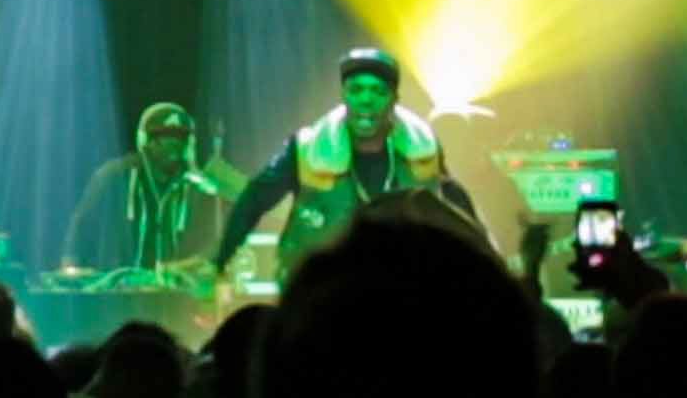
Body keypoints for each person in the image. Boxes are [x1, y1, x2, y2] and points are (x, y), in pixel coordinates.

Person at [205, 48, 445, 288]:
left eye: (378, 91)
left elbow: (452, 207)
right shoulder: (307, 149)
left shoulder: (423, 150)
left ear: (394, 99)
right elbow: (254, 200)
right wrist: (218, 262)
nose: (366, 100)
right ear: (344, 95)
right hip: (318, 291)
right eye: (356, 90)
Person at [60, 101, 225, 276]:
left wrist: (190, 269)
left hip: (176, 292)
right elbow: (83, 225)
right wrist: (71, 266)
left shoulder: (199, 186)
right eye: (163, 136)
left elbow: (214, 245)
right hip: (119, 290)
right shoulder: (115, 176)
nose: (173, 143)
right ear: (145, 140)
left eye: (180, 137)